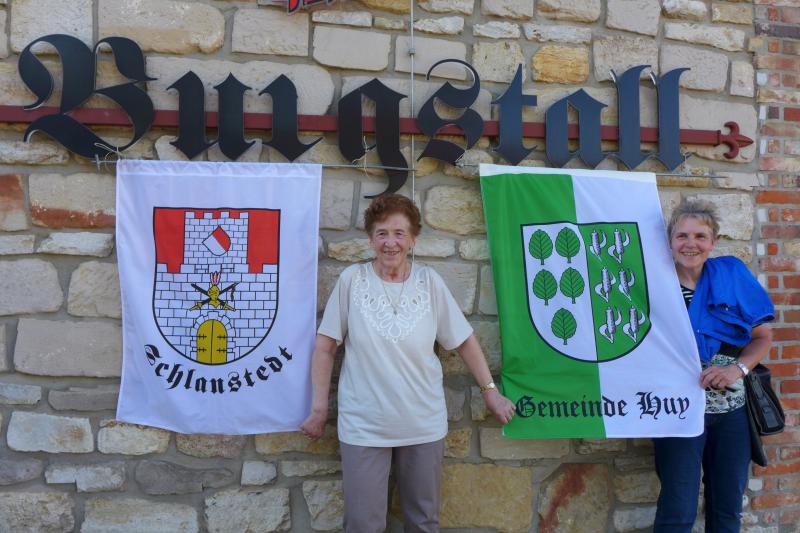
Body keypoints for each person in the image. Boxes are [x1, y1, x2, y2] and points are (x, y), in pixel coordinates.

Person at [301, 193, 516, 533]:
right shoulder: (352, 281)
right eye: (382, 233)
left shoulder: (429, 282)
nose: (391, 243)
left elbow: (463, 340)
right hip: (364, 426)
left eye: (399, 233)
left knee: (423, 522)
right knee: (362, 524)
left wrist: (491, 391)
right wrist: (318, 409)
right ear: (371, 239)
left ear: (413, 239)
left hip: (422, 425)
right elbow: (325, 347)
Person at [653, 199, 774, 532]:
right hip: (677, 412)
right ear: (670, 241)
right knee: (677, 510)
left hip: (732, 413)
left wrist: (738, 369)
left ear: (713, 241)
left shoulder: (731, 275)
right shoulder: (654, 285)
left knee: (726, 510)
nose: (690, 244)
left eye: (700, 236)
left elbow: (762, 337)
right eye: (682, 236)